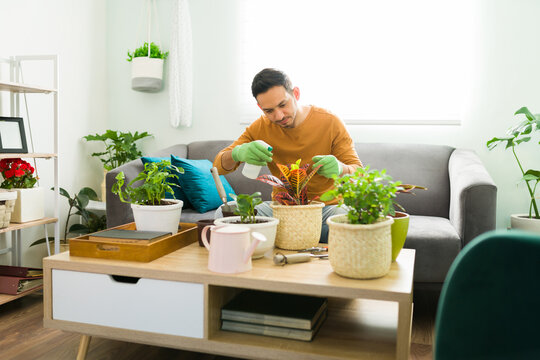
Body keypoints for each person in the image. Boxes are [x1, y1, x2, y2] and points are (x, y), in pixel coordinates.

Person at [213, 68, 362, 242]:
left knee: (350, 218)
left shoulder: (330, 122)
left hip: (325, 211)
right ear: (260, 108)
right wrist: (237, 153)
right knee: (223, 213)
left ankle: (284, 238)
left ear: (296, 94)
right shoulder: (259, 128)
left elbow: (359, 172)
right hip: (281, 212)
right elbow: (217, 167)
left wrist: (340, 168)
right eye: (269, 111)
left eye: (283, 105)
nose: (278, 116)